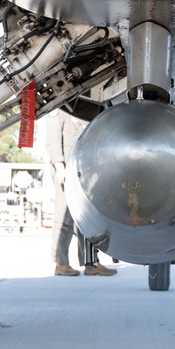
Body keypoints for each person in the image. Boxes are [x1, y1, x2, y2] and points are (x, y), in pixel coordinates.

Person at [45, 109, 116, 277]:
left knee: (87, 219)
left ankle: (90, 263)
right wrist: (59, 164)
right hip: (67, 169)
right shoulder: (62, 106)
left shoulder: (87, 105)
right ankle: (61, 263)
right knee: (63, 218)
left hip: (86, 170)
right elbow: (53, 137)